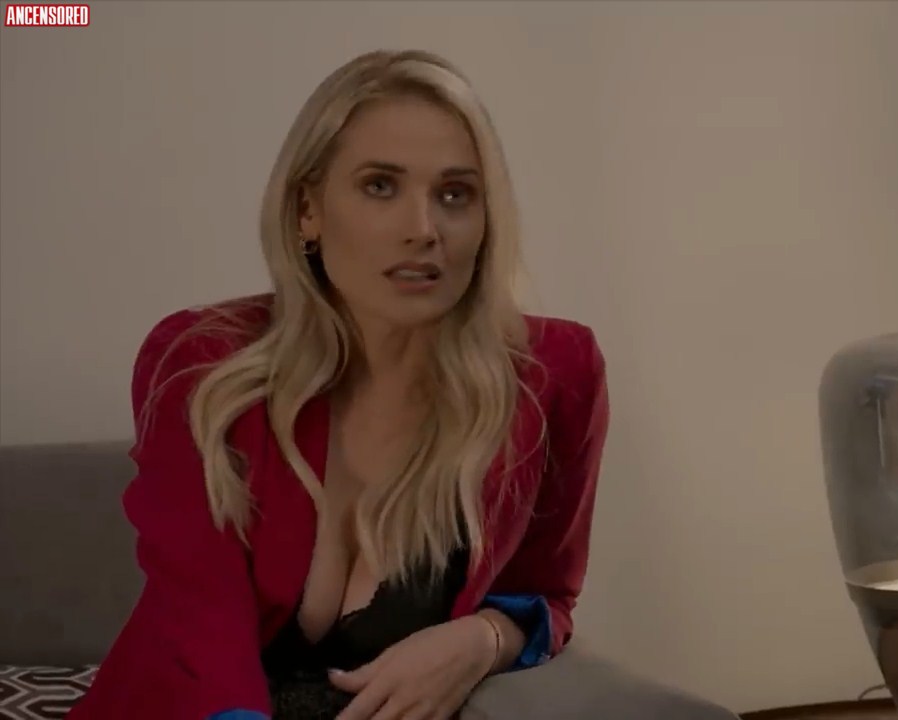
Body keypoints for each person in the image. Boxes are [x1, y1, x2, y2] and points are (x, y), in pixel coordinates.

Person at [68, 49, 610, 720]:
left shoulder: (555, 373)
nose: (423, 230)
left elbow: (549, 594)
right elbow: (200, 626)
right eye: (380, 186)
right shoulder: (200, 362)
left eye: (455, 195)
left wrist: (483, 639)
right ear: (308, 211)